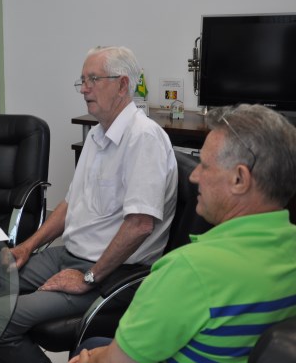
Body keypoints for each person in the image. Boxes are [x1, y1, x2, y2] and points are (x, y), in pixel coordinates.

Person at [0, 46, 178, 363]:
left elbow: (139, 225)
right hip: (66, 255)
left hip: (111, 272)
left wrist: (90, 276)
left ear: (122, 85)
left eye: (93, 79)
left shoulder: (143, 138)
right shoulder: (96, 135)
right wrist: (27, 246)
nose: (84, 89)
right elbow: (69, 203)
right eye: (82, 81)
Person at [70, 104, 296, 363]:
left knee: (87, 349)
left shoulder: (189, 271)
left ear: (239, 179)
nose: (194, 176)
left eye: (205, 165)